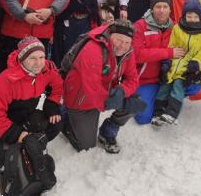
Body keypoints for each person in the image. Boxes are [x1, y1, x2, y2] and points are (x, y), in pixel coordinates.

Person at [0, 37, 62, 185]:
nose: (38, 62)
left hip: (25, 114)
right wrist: (17, 134)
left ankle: (30, 149)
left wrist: (52, 106)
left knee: (54, 124)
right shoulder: (5, 80)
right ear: (22, 58)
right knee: (3, 158)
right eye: (32, 58)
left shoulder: (46, 70)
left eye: (42, 57)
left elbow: (57, 86)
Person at [62, 19, 145, 154]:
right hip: (80, 97)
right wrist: (110, 102)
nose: (122, 46)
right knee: (86, 146)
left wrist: (121, 91)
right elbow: (92, 87)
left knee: (134, 102)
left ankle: (107, 131)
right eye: (119, 40)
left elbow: (133, 79)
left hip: (104, 93)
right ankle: (65, 116)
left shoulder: (128, 51)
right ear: (110, 35)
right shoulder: (93, 48)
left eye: (127, 42)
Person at [152, 0, 201, 125]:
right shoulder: (177, 28)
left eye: (196, 16)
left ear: (200, 17)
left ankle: (171, 114)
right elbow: (172, 45)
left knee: (178, 86)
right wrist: (167, 62)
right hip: (174, 64)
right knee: (164, 87)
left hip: (187, 68)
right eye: (189, 16)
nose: (192, 19)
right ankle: (157, 113)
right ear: (184, 16)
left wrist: (196, 63)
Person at [132, 0, 184, 124]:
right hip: (145, 80)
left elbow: (184, 49)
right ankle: (150, 98)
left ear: (170, 9)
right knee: (143, 118)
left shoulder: (175, 28)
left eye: (165, 6)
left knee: (194, 85)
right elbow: (137, 55)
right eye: (158, 6)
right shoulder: (139, 26)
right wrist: (167, 53)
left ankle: (167, 100)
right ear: (152, 9)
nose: (161, 10)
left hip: (166, 78)